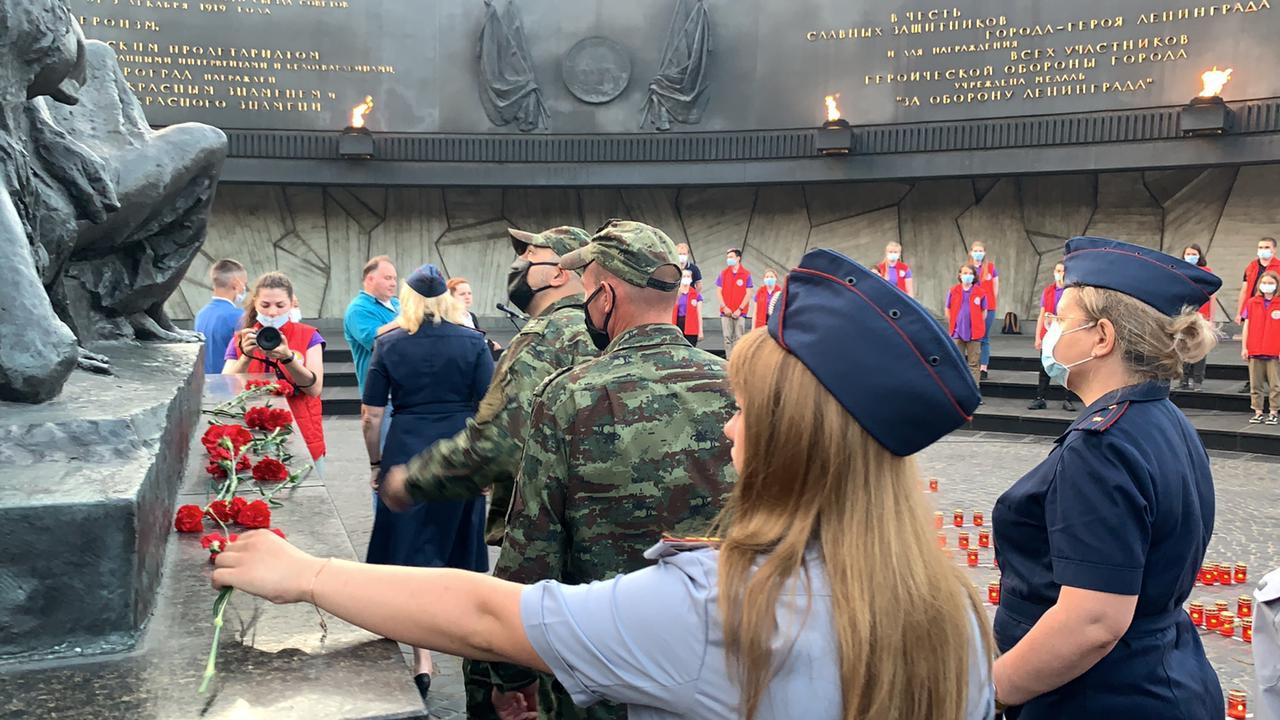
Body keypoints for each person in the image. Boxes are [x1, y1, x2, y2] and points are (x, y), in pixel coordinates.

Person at [211, 247, 995, 720]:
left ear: (794, 436)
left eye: (744, 410)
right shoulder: (953, 615)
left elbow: (487, 615)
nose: (728, 429)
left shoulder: (728, 609)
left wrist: (307, 574)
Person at [391, 220, 737, 719]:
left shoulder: (570, 393)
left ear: (605, 297)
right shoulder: (735, 382)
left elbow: (534, 544)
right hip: (719, 648)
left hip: (600, 647)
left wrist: (510, 673)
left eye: (590, 289)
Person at [991, 236, 1223, 719]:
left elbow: (1092, 622)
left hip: (1101, 697)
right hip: (1162, 677)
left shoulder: (1102, 446)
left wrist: (989, 689)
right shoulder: (1161, 418)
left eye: (1061, 319)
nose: (1050, 330)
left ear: (1102, 337)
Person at [386, 226, 597, 720]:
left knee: (493, 674)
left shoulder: (547, 337)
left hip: (547, 544)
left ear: (560, 271)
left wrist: (411, 481)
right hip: (598, 542)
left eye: (530, 254)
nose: (518, 264)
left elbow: (501, 442)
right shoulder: (600, 330)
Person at [361, 263, 495, 700]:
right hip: (459, 451)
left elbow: (371, 415)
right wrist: (484, 466)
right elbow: (489, 411)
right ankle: (466, 641)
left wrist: (376, 463)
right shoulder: (474, 342)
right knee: (457, 547)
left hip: (406, 447)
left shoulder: (389, 343)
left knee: (408, 550)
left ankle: (422, 654)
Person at [222, 272, 327, 464]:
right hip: (253, 437)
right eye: (265, 305)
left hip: (301, 435)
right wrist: (246, 356)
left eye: (280, 305)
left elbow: (314, 389)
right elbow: (224, 389)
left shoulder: (309, 336)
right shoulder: (241, 339)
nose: (272, 312)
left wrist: (288, 358)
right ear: (255, 303)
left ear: (291, 304)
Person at [343, 256, 400, 395]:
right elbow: (375, 341)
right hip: (382, 395)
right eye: (388, 278)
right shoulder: (358, 309)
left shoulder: (397, 304)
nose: (393, 283)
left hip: (405, 390)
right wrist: (406, 321)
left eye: (395, 279)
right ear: (370, 279)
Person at [1028, 262, 1076, 412]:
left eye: (1062, 271)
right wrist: (1038, 336)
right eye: (1057, 270)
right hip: (1049, 332)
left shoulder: (1071, 291)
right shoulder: (1048, 291)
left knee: (1066, 366)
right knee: (1044, 367)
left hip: (1065, 332)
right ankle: (1040, 398)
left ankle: (1067, 399)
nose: (1059, 274)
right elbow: (1042, 315)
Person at [1236, 238, 1280, 393]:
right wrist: (1240, 311)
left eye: (1267, 247)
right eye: (1260, 247)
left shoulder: (1279, 266)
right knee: (1253, 345)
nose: (1263, 250)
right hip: (1254, 308)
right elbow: (1245, 289)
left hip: (1274, 309)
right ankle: (1252, 381)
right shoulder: (1251, 266)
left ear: (1274, 249)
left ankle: (1274, 384)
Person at [194, 259, 248, 375]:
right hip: (228, 381)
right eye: (244, 284)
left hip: (205, 381)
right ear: (236, 284)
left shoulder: (201, 314)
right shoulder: (239, 316)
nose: (244, 288)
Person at [1242, 270, 1280, 425]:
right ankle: (1258, 411)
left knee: (1275, 384)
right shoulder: (1252, 302)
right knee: (1255, 384)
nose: (1267, 286)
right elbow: (1247, 326)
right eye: (1264, 283)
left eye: (1271, 283)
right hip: (1255, 349)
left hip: (1274, 350)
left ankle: (1273, 411)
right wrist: (1244, 347)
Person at [1179, 244, 1216, 392]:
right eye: (1188, 254)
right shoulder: (1180, 271)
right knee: (1183, 347)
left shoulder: (1206, 272)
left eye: (1193, 254)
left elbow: (1212, 296)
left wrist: (1211, 318)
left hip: (1202, 315)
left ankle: (1197, 380)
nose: (1190, 257)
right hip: (1184, 314)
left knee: (1200, 347)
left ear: (1199, 255)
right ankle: (1183, 379)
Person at [947, 264, 989, 390]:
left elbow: (984, 311)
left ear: (974, 276)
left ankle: (975, 390)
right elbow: (948, 308)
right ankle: (957, 389)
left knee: (973, 364)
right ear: (960, 275)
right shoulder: (953, 291)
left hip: (974, 333)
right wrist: (954, 323)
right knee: (957, 362)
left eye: (970, 273)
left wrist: (977, 323)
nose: (967, 276)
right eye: (965, 273)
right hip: (957, 332)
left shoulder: (980, 293)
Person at [448, 276, 502, 358]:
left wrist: (490, 344)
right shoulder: (449, 318)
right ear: (450, 297)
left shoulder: (471, 316)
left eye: (469, 293)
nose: (467, 297)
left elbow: (476, 339)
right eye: (462, 294)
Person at [969, 241, 999, 380]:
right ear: (971, 252)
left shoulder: (990, 268)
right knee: (974, 338)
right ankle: (973, 365)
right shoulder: (968, 269)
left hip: (989, 307)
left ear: (985, 252)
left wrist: (990, 302)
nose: (978, 253)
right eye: (976, 251)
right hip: (972, 308)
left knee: (984, 337)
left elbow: (995, 288)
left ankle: (983, 368)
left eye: (980, 251)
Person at [717, 248, 753, 357]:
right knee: (727, 338)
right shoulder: (723, 274)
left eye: (731, 257)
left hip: (740, 312)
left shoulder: (746, 274)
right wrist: (724, 307)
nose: (728, 259)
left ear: (738, 258)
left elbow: (748, 293)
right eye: (727, 257)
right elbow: (718, 291)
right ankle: (729, 360)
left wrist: (740, 309)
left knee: (739, 338)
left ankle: (737, 359)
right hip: (725, 312)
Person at [674, 267, 704, 346]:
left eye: (688, 276)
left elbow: (699, 314)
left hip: (691, 325)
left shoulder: (696, 295)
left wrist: (700, 331)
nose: (686, 278)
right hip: (677, 324)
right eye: (684, 276)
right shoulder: (674, 294)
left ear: (691, 279)